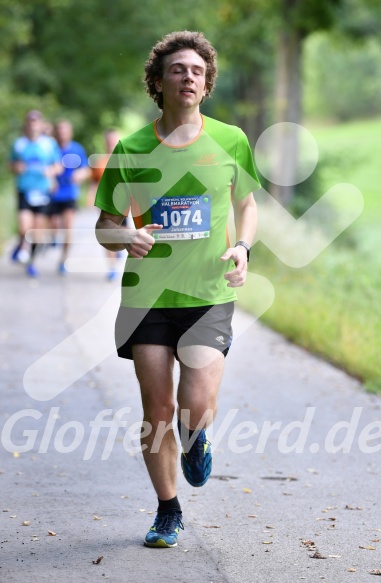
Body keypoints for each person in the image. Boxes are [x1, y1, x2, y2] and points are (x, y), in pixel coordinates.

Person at [94, 31, 259, 548]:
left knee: (194, 407)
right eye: (177, 70)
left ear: (206, 83)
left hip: (208, 293)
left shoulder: (230, 140)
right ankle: (168, 510)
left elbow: (248, 205)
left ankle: (195, 438)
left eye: (196, 71)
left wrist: (244, 248)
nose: (188, 77)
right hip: (147, 298)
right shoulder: (133, 148)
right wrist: (127, 235)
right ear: (158, 82)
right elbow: (105, 227)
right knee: (157, 409)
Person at [9, 109, 62, 277]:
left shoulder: (49, 144)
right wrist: (16, 167)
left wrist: (51, 171)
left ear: (40, 124)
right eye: (30, 121)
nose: (33, 124)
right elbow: (10, 164)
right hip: (25, 189)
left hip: (42, 190)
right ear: (27, 124)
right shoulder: (19, 144)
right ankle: (22, 245)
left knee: (37, 232)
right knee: (25, 227)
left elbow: (58, 166)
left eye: (36, 121)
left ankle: (31, 261)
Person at [88, 128, 132, 281]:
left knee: (123, 230)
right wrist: (90, 197)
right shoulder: (99, 162)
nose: (111, 143)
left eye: (114, 140)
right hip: (106, 203)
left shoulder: (126, 159)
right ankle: (112, 267)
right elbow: (93, 183)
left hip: (124, 204)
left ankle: (119, 246)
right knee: (107, 232)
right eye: (109, 140)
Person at [49, 119, 90, 274]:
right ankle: (53, 237)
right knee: (53, 225)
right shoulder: (51, 148)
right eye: (59, 131)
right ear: (56, 132)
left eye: (65, 131)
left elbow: (85, 170)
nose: (62, 134)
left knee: (67, 228)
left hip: (69, 193)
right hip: (52, 193)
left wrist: (79, 175)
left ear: (70, 132)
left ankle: (63, 260)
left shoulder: (77, 149)